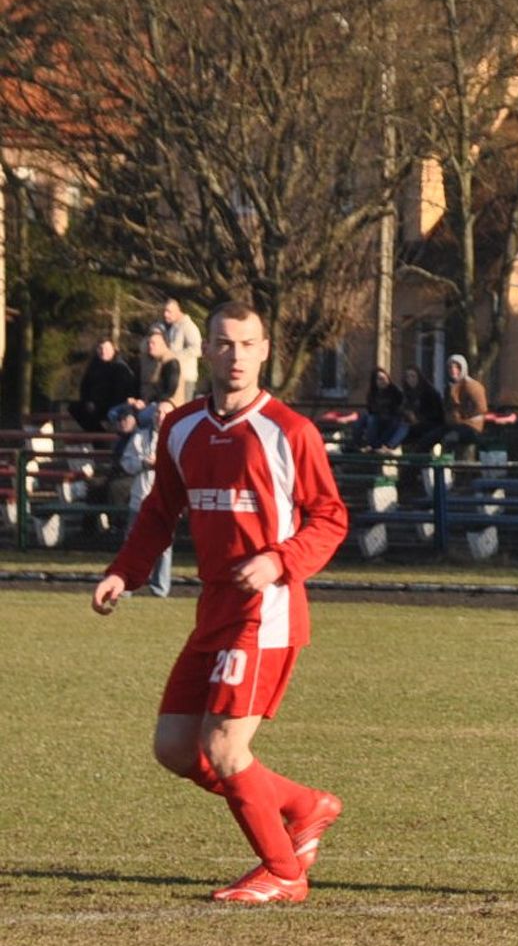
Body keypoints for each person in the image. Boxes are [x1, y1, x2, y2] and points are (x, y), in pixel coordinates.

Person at [91, 300, 349, 904]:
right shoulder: (181, 428)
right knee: (176, 748)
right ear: (206, 350)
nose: (236, 356)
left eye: (248, 344)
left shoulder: (289, 431)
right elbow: (159, 512)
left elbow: (331, 518)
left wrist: (279, 559)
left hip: (268, 615)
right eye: (225, 344)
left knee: (224, 747)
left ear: (265, 351)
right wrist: (123, 573)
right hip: (214, 611)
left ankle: (284, 873)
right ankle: (305, 806)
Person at [117, 398, 176, 597]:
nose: (160, 417)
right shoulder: (140, 438)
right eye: (158, 412)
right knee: (131, 543)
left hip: (165, 502)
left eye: (165, 413)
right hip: (140, 499)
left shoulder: (178, 439)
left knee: (164, 547)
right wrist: (143, 463)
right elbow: (126, 463)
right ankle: (125, 586)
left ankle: (160, 588)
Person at [144, 298, 203, 404]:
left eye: (169, 311)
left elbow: (197, 349)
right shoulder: (171, 328)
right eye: (164, 311)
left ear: (178, 311)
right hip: (171, 375)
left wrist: (174, 357)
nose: (166, 314)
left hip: (186, 378)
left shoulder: (188, 326)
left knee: (183, 411)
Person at [72, 340, 140, 433]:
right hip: (95, 405)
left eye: (107, 349)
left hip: (112, 405)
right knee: (75, 408)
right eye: (101, 348)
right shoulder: (93, 367)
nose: (103, 351)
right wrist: (88, 401)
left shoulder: (121, 368)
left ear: (114, 350)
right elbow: (85, 387)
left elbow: (121, 393)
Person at [442, 355, 488, 457]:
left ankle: (451, 468)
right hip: (453, 425)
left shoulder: (472, 386)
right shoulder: (449, 387)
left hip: (471, 426)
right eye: (450, 367)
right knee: (431, 436)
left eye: (457, 367)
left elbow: (481, 408)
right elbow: (447, 407)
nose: (453, 370)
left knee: (449, 439)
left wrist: (463, 416)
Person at [399, 366, 447, 453]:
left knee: (410, 433)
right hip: (413, 424)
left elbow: (436, 413)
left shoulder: (429, 392)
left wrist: (419, 418)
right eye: (408, 377)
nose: (410, 379)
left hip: (432, 424)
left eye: (413, 376)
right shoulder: (407, 393)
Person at [358, 367, 407, 451]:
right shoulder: (372, 394)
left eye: (384, 378)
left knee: (399, 424)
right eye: (379, 379)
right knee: (367, 419)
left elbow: (399, 407)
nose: (383, 381)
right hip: (378, 418)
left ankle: (379, 446)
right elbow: (371, 409)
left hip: (391, 419)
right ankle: (362, 444)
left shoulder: (395, 391)